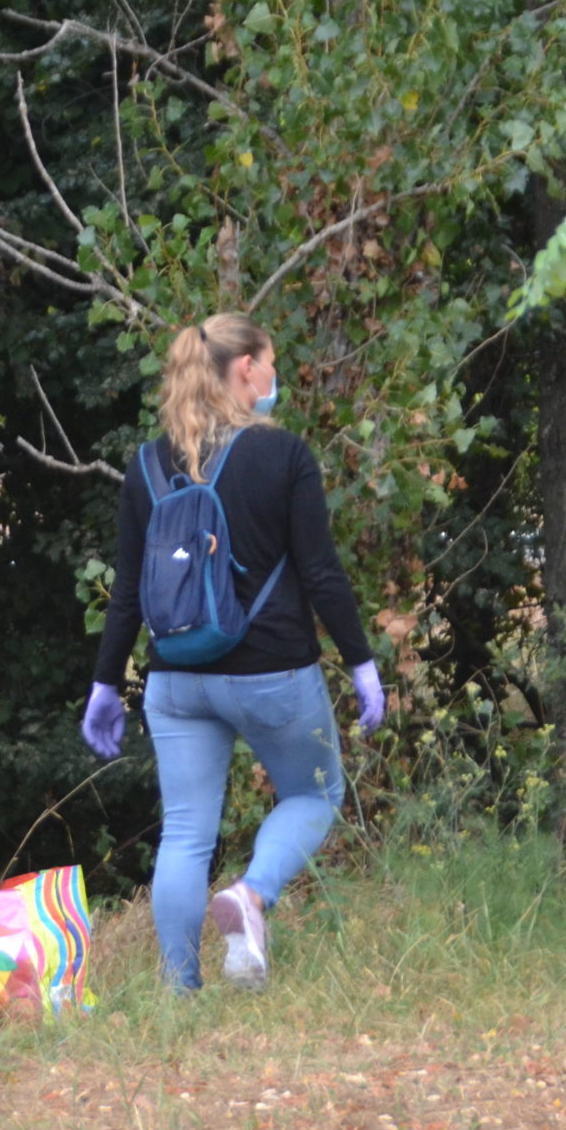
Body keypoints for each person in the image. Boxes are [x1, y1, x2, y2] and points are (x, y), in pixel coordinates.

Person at [79, 312, 386, 992]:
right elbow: (321, 573)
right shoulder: (284, 456)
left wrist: (106, 684)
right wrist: (362, 663)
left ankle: (178, 993)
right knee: (315, 792)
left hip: (176, 679)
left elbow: (127, 591)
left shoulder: (146, 465)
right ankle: (251, 895)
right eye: (270, 362)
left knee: (185, 832)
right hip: (271, 672)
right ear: (246, 367)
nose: (275, 375)